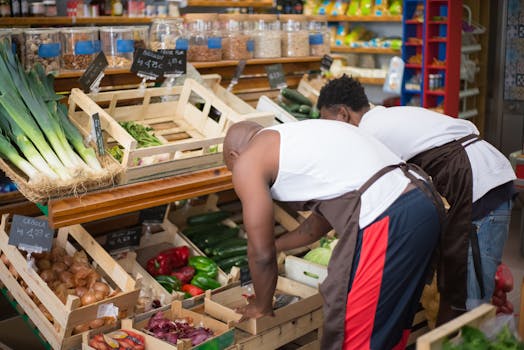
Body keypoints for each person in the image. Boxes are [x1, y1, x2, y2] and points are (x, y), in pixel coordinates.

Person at [223, 119, 444, 349]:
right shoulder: (295, 140)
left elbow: (260, 254)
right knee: (388, 327)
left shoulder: (247, 161)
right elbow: (313, 229)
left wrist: (261, 306)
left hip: (388, 216)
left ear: (234, 155)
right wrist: (276, 244)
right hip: (421, 201)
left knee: (354, 336)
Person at [317, 75, 517, 324]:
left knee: (468, 299)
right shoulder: (382, 117)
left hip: (477, 185)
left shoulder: (369, 132)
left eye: (327, 121)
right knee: (461, 284)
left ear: (343, 114)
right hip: (479, 178)